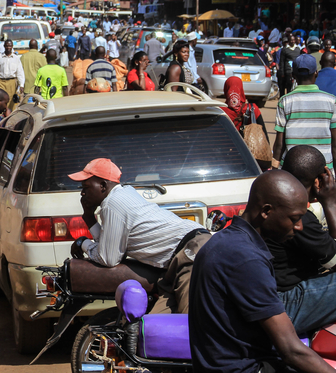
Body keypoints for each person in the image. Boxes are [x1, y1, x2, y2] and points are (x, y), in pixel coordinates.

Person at [188, 170, 334, 373]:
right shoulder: (246, 258)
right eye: (294, 218)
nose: (299, 226)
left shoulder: (225, 241)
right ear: (266, 211)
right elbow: (291, 351)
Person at [69, 158, 208, 313]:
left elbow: (108, 258)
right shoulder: (122, 195)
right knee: (156, 328)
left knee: (189, 325)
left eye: (86, 187)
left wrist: (83, 243)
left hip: (192, 254)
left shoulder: (113, 203)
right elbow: (109, 245)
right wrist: (88, 218)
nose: (82, 193)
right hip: (178, 260)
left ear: (102, 186)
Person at [271, 145, 336, 335]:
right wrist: (330, 202)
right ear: (318, 181)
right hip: (286, 304)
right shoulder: (299, 217)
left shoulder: (275, 203)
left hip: (272, 299)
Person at [274, 54, 336, 170]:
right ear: (316, 73)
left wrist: (274, 169)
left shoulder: (285, 101)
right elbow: (335, 142)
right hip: (323, 169)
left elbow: (279, 144)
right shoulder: (331, 101)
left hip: (293, 168)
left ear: (293, 76)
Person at [0, 40, 24, 111]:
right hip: (1, 82)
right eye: (7, 46)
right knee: (0, 102)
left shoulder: (16, 58)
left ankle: (9, 118)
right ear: (4, 46)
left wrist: (21, 85)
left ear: (12, 47)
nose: (8, 47)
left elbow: (20, 72)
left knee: (11, 103)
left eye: (10, 46)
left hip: (12, 82)